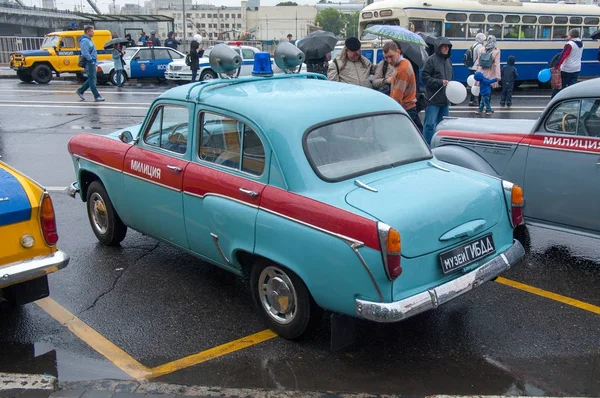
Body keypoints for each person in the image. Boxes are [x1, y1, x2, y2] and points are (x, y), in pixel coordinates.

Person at [383, 42, 423, 132]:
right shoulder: (404, 62)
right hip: (409, 107)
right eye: (386, 58)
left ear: (398, 52)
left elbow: (397, 98)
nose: (388, 60)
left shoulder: (402, 69)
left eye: (391, 56)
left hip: (405, 109)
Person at [421, 37, 453, 145]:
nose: (446, 48)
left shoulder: (448, 61)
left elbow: (451, 78)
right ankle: (428, 145)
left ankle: (439, 144)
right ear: (438, 47)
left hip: (445, 99)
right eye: (444, 46)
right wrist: (439, 82)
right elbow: (424, 77)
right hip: (433, 98)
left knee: (443, 125)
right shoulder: (431, 60)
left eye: (448, 46)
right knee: (430, 125)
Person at [76, 26, 104, 102]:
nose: (93, 32)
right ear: (87, 32)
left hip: (92, 61)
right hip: (89, 62)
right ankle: (97, 96)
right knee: (92, 79)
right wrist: (91, 60)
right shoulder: (85, 41)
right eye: (92, 31)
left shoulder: (88, 40)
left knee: (92, 78)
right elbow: (85, 52)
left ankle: (80, 91)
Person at [467, 33, 486, 106]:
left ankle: (472, 100)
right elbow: (481, 58)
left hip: (472, 67)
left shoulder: (474, 45)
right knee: (478, 84)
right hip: (476, 68)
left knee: (473, 84)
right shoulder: (480, 47)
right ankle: (478, 101)